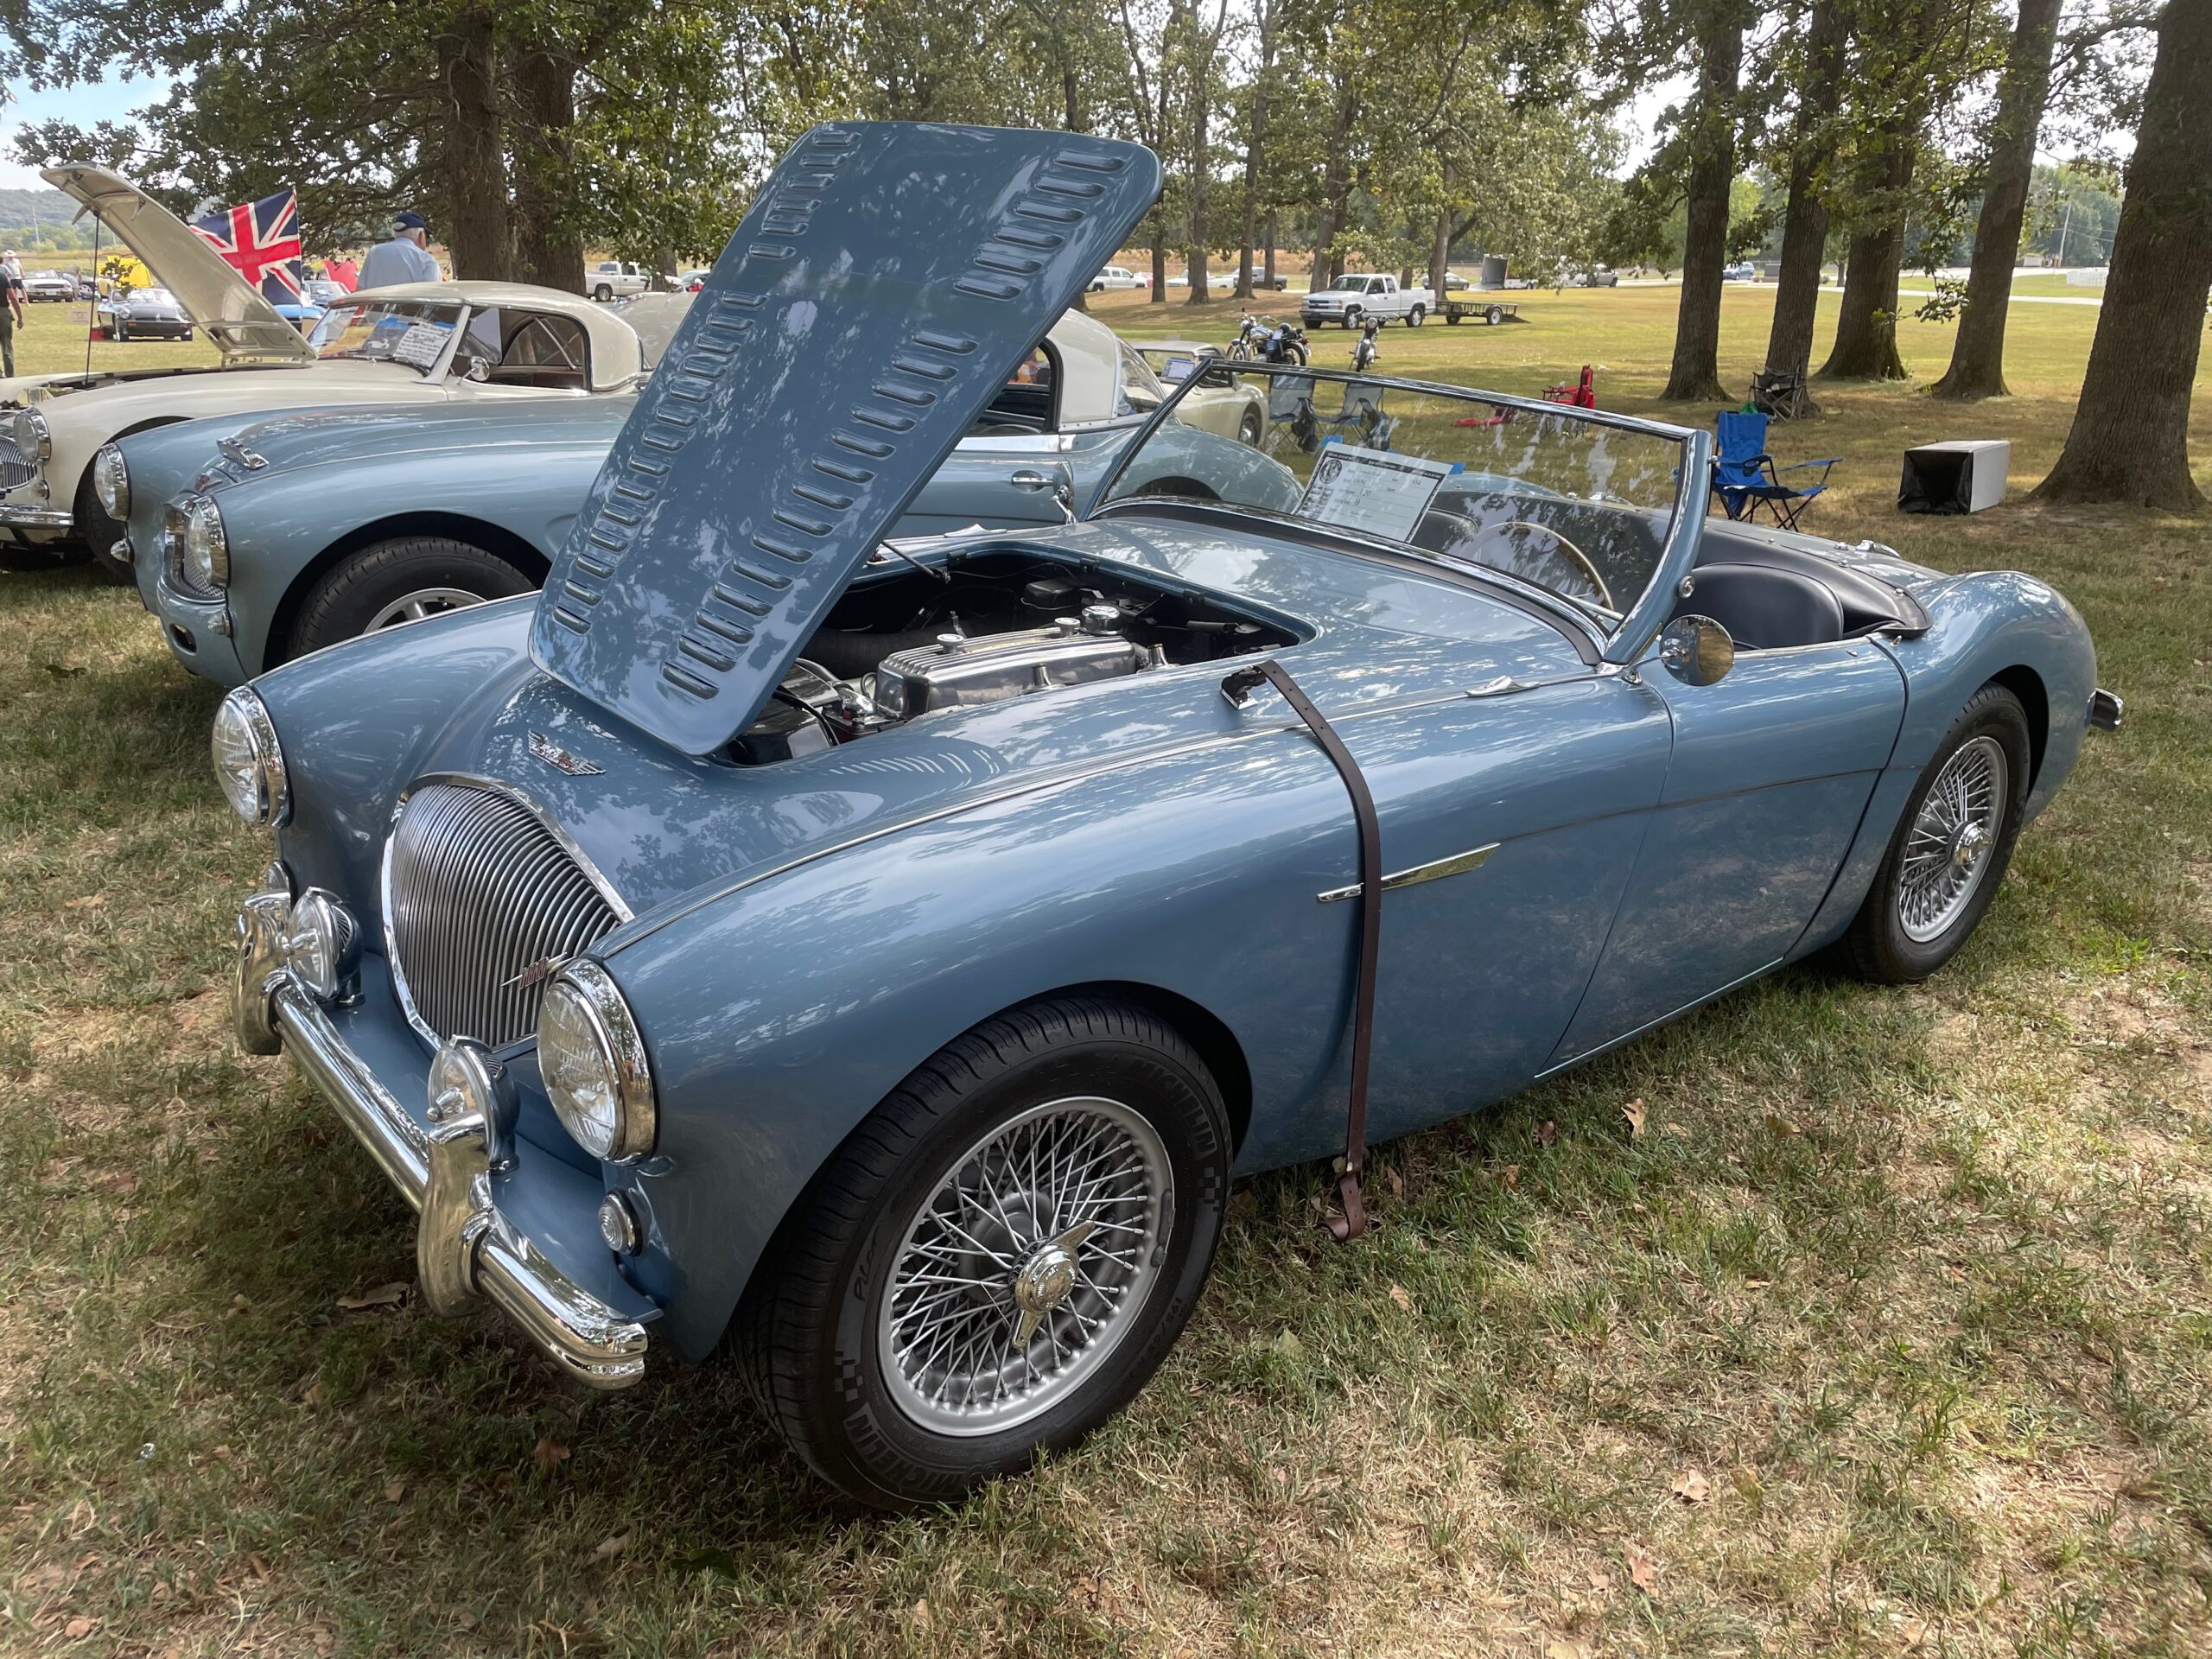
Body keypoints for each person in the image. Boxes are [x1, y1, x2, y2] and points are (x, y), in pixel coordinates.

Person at [356, 211, 441, 289]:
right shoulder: (427, 261)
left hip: (374, 306)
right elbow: (431, 298)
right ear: (421, 235)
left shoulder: (374, 252)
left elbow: (360, 291)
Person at [0, 251, 24, 378]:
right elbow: (13, 298)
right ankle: (10, 375)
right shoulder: (3, 277)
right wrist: (20, 317)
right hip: (3, 312)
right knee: (6, 345)